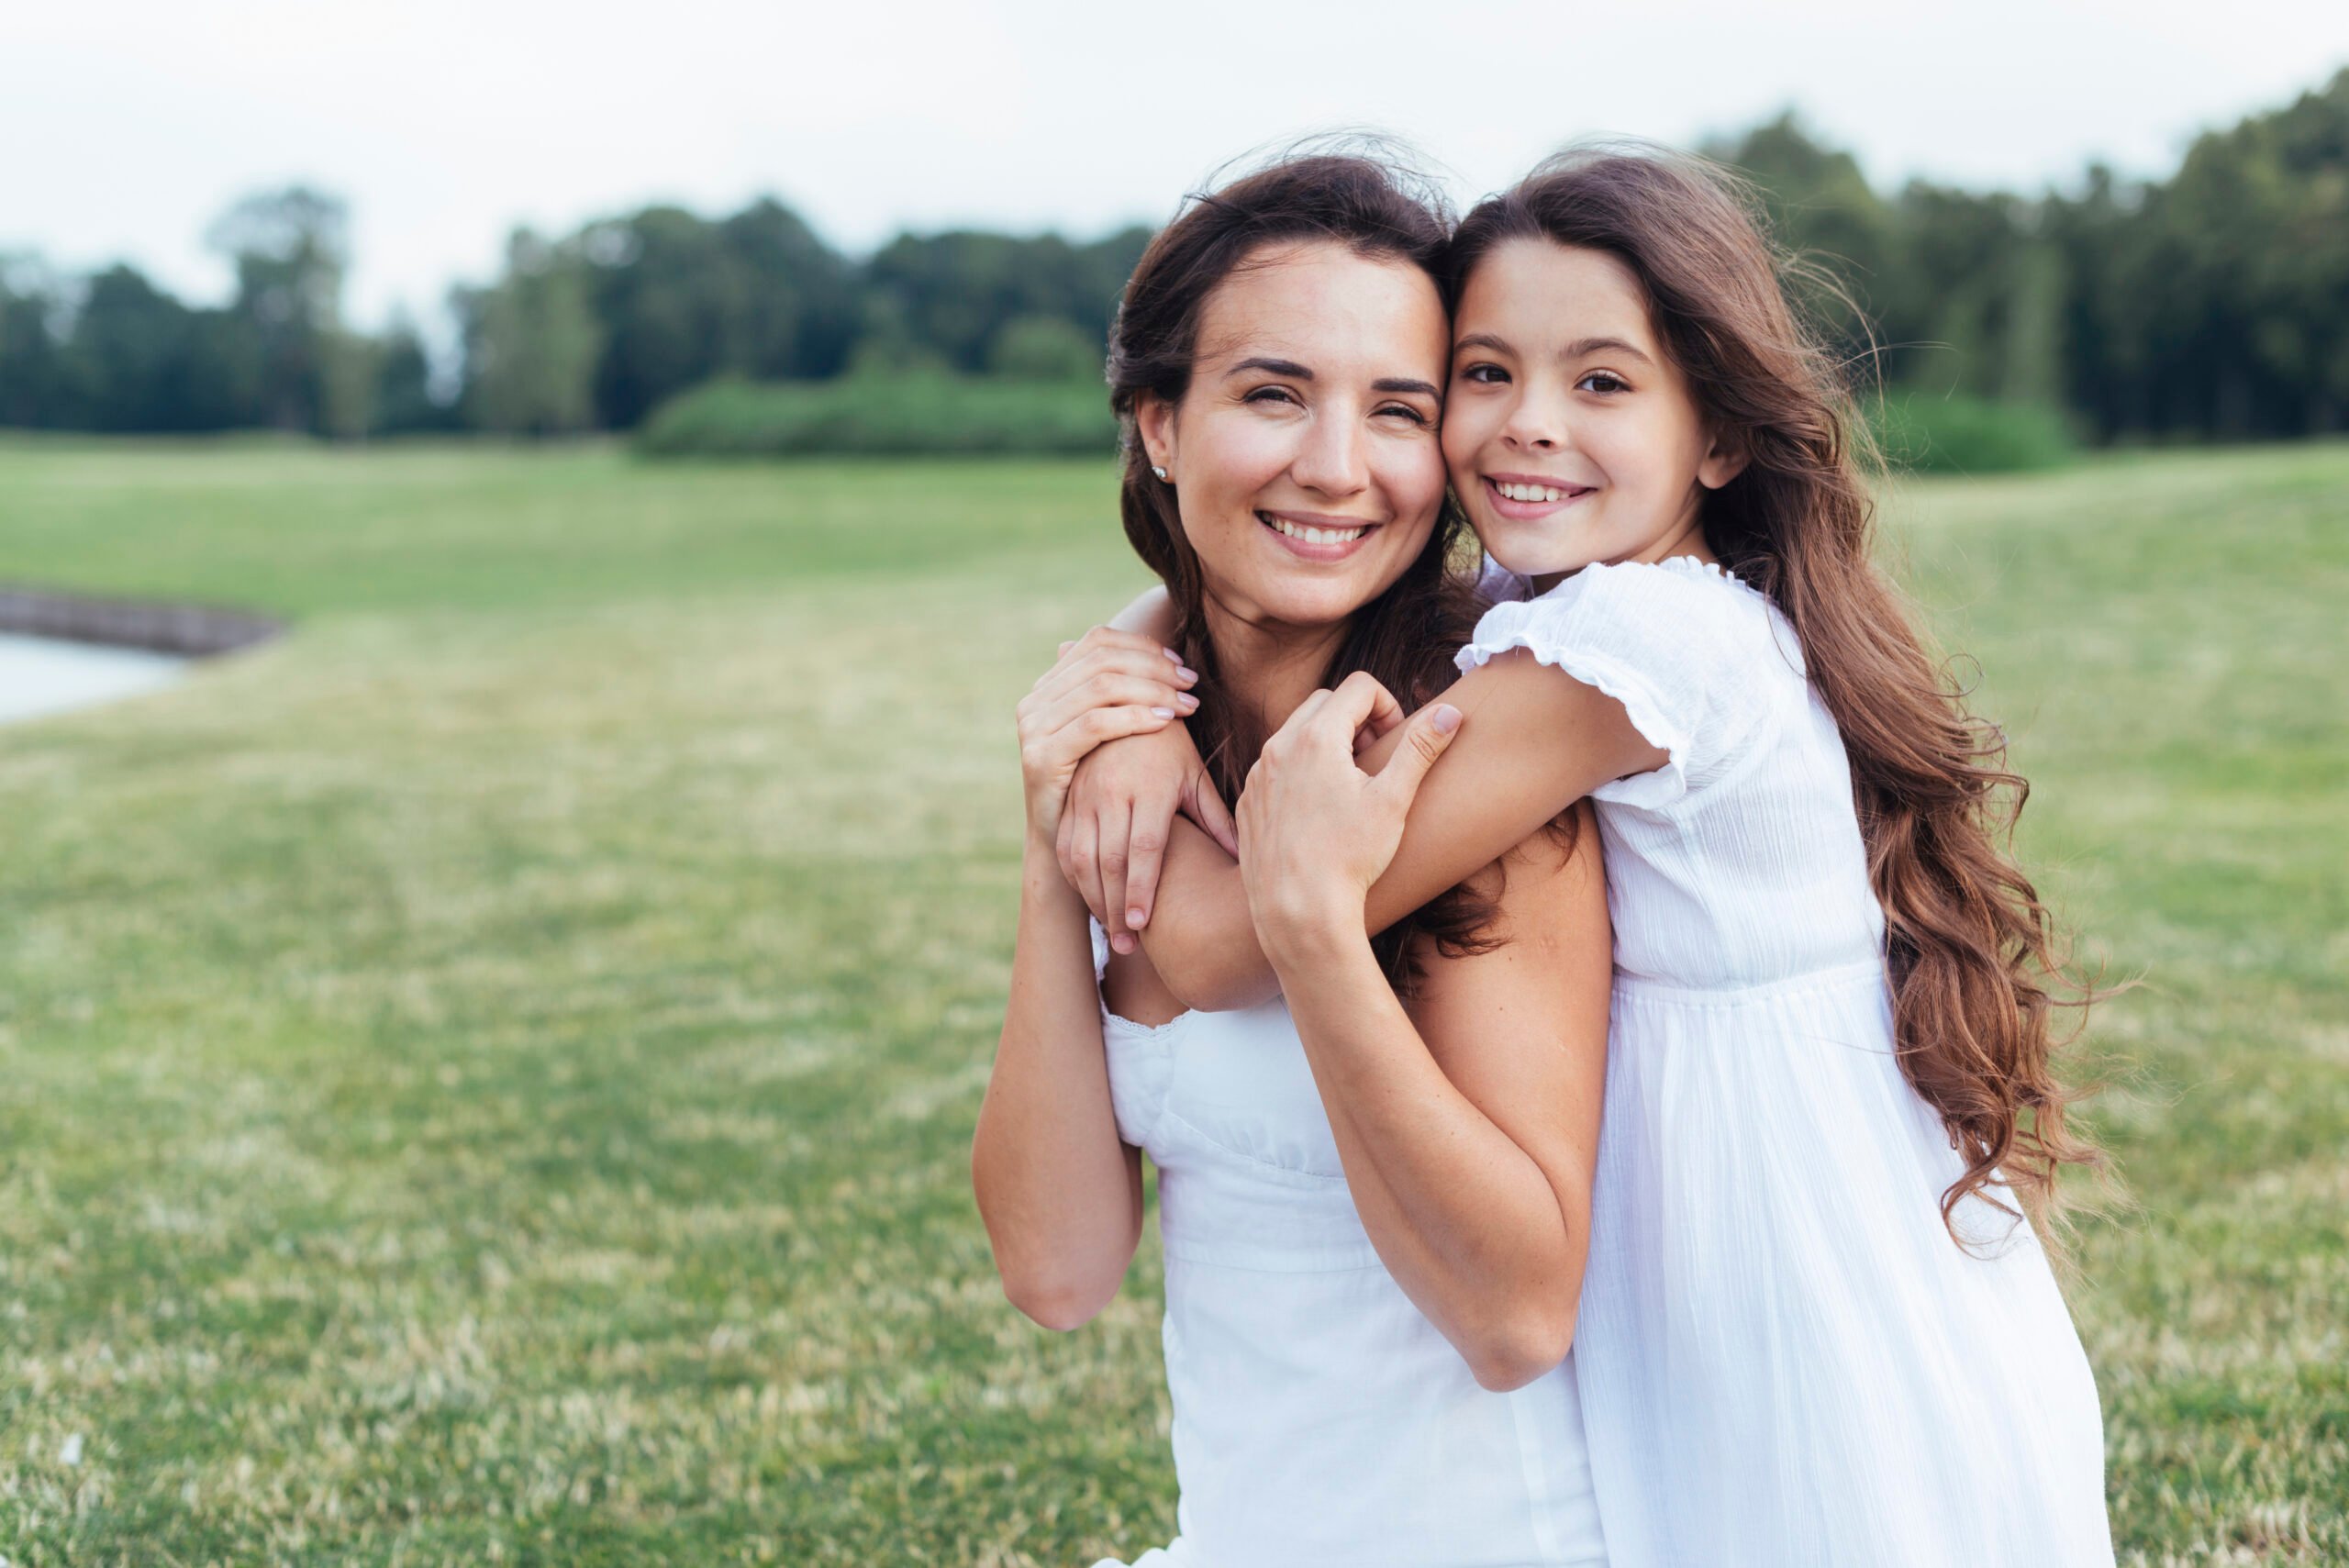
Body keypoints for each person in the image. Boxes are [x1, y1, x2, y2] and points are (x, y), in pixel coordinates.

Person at [1065, 147, 2115, 1567]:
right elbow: (1216, 586)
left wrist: (1106, 739)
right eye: (1486, 375)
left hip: (1801, 1314)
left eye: (1602, 383)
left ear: (1720, 435)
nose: (1525, 429)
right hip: (1723, 1272)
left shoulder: (1636, 648)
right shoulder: (1569, 592)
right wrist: (1124, 673)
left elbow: (1210, 940)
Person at [970, 150, 1615, 1567]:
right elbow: (1059, 1270)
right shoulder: (1144, 750)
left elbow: (1517, 1317)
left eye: (1397, 410)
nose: (1338, 465)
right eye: (1274, 393)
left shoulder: (1467, 769)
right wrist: (1051, 834)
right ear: (1157, 420)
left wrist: (1316, 931)